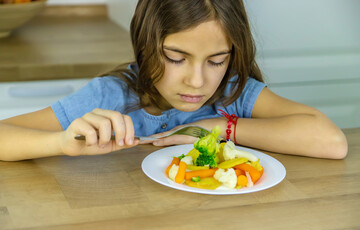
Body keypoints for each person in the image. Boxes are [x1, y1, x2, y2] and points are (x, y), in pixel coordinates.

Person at [0, 0, 347, 161]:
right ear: (145, 45)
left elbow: (332, 142)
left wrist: (216, 127)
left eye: (217, 60)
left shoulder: (232, 92)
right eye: (176, 58)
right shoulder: (112, 95)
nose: (198, 81)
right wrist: (61, 142)